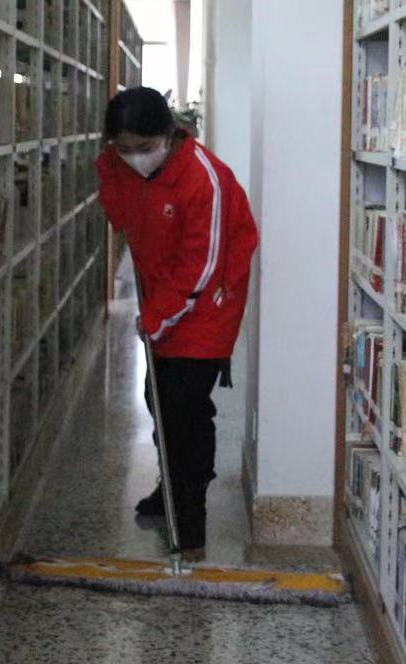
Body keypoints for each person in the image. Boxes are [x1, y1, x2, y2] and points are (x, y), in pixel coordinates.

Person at [95, 87, 258, 553]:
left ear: (168, 134)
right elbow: (123, 218)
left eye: (144, 147)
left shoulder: (204, 179)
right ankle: (169, 486)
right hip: (162, 296)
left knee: (186, 407)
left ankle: (190, 513)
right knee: (157, 397)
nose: (134, 158)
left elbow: (201, 268)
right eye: (122, 148)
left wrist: (159, 317)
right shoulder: (121, 168)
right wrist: (111, 167)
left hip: (207, 305)